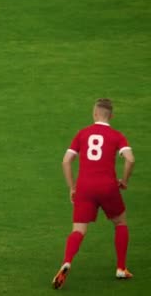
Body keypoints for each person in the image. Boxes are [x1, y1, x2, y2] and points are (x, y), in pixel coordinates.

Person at [52, 98, 135, 289]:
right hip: (108, 187)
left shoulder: (82, 134)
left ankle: (67, 262)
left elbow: (66, 161)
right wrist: (124, 181)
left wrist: (72, 187)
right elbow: (130, 159)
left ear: (94, 114)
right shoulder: (117, 136)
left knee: (78, 230)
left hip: (85, 188)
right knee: (120, 223)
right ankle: (121, 268)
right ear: (111, 116)